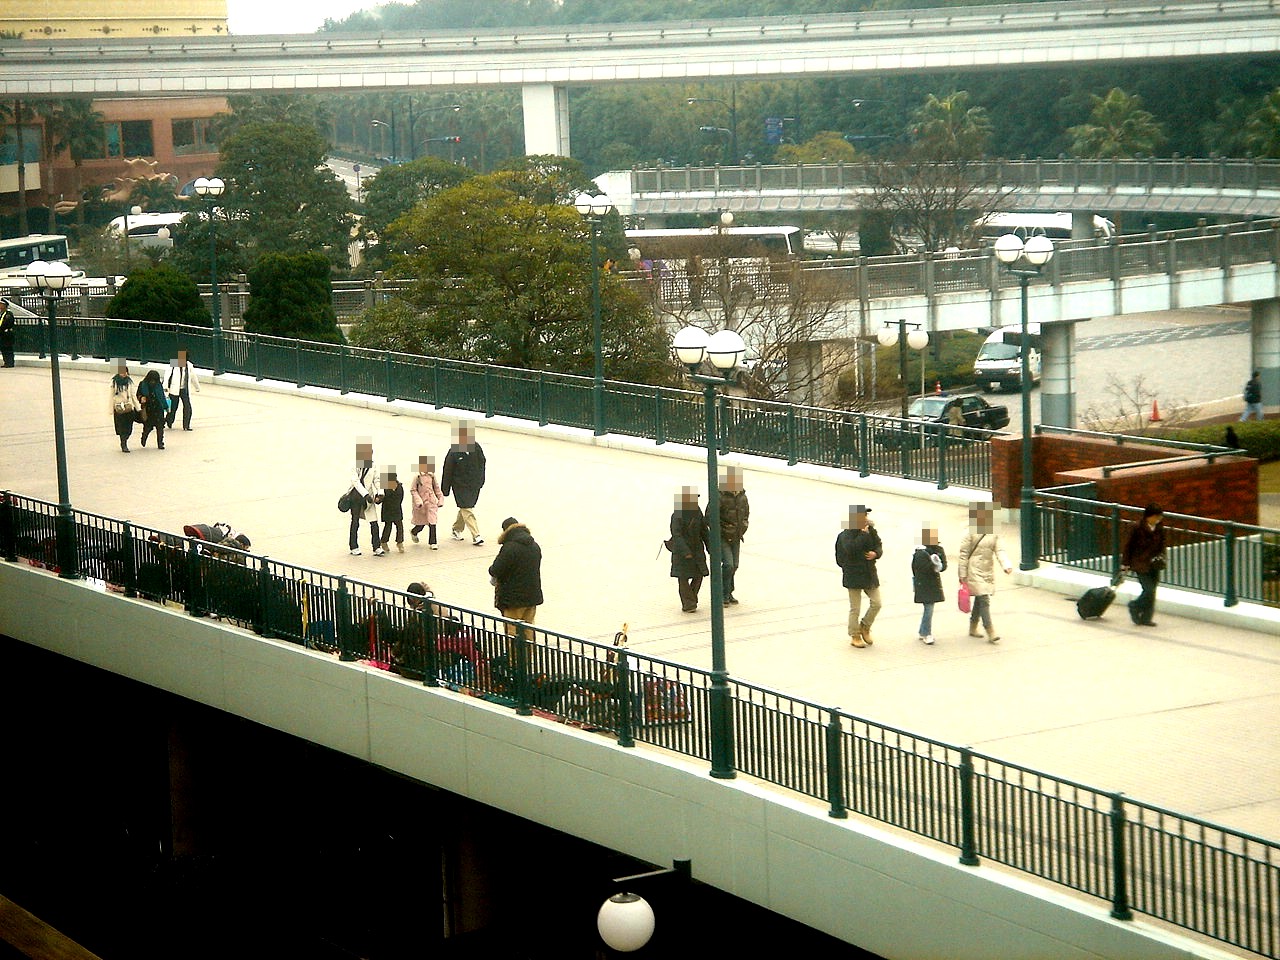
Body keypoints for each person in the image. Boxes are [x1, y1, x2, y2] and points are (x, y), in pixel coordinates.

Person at [957, 503, 1012, 643]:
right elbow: (963, 554)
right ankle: (990, 630)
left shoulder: (994, 532)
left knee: (980, 597)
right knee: (984, 598)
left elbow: (1000, 550)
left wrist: (1006, 565)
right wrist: (962, 574)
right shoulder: (970, 532)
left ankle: (973, 626)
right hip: (973, 569)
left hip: (987, 569)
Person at [835, 504, 882, 648]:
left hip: (869, 573)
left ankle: (865, 626)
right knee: (855, 608)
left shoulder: (870, 531)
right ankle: (854, 635)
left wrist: (876, 553)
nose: (865, 518)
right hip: (853, 575)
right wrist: (863, 535)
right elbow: (851, 549)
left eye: (866, 516)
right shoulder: (846, 534)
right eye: (862, 516)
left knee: (877, 603)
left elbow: (878, 545)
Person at [488, 517, 543, 637]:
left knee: (512, 633)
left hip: (513, 599)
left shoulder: (509, 548)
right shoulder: (534, 546)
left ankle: (514, 656)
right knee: (529, 632)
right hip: (532, 596)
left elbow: (496, 569)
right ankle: (528, 655)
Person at [441, 422, 487, 546]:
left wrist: (481, 480)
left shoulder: (476, 447)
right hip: (460, 486)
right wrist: (444, 490)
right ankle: (476, 535)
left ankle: (456, 529)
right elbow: (447, 470)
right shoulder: (454, 451)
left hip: (474, 485)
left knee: (466, 508)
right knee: (467, 508)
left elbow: (482, 464)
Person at [1122, 504, 1166, 627]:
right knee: (1148, 589)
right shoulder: (1136, 528)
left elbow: (1162, 545)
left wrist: (1162, 557)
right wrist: (1125, 563)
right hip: (1140, 563)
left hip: (1154, 563)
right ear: (1149, 516)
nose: (1158, 519)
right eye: (1156, 517)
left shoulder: (1159, 528)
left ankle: (1146, 618)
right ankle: (1134, 606)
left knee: (1153, 591)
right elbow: (1128, 546)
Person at [669, 486, 710, 613]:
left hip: (697, 549)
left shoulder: (697, 512)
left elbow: (704, 530)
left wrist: (710, 547)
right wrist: (685, 551)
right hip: (682, 552)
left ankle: (691, 599)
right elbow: (677, 534)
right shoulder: (677, 514)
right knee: (683, 577)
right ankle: (688, 603)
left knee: (699, 574)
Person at [718, 465, 750, 606]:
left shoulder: (742, 496)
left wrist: (743, 526)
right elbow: (710, 516)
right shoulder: (720, 496)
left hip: (736, 536)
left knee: (735, 565)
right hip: (723, 536)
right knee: (728, 565)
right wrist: (723, 529)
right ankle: (722, 594)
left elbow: (746, 513)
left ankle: (729, 592)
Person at [346, 440, 383, 556]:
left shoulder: (373, 465)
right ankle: (353, 546)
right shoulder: (355, 465)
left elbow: (377, 479)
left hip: (369, 498)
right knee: (355, 521)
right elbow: (355, 481)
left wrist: (380, 493)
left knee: (374, 522)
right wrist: (365, 494)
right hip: (356, 497)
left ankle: (376, 547)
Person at [912, 525, 947, 645]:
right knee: (929, 608)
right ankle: (926, 633)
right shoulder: (920, 552)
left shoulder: (939, 550)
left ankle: (923, 631)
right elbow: (918, 569)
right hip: (923, 584)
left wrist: (939, 565)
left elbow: (944, 567)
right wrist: (932, 564)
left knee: (929, 607)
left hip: (934, 583)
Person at [410, 455, 444, 549]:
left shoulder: (432, 476)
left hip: (431, 502)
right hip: (421, 505)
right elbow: (413, 490)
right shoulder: (417, 477)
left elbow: (437, 488)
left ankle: (433, 542)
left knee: (432, 522)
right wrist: (418, 501)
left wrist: (440, 499)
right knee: (421, 524)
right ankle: (414, 532)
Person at [164, 350, 201, 430]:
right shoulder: (173, 364)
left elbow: (193, 377)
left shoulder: (189, 365)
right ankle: (169, 421)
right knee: (173, 408)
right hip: (174, 389)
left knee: (187, 407)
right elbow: (167, 376)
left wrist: (197, 387)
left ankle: (186, 426)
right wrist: (165, 387)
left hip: (184, 389)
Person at [109, 361, 140, 452]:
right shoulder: (114, 382)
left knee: (129, 428)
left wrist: (138, 407)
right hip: (119, 408)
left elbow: (133, 395)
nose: (124, 374)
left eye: (125, 372)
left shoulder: (130, 382)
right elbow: (111, 396)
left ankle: (125, 439)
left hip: (129, 408)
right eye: (122, 372)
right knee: (122, 428)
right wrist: (111, 408)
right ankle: (123, 444)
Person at [136, 368, 168, 450]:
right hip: (148, 409)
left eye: (155, 380)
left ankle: (160, 443)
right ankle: (144, 437)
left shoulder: (158, 385)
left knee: (160, 427)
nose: (153, 382)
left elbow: (162, 396)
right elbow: (138, 394)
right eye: (152, 380)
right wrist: (141, 398)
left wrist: (166, 407)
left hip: (158, 408)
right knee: (148, 427)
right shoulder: (143, 384)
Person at [379, 470, 406, 553]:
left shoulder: (399, 487)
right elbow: (380, 498)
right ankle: (384, 542)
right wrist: (377, 500)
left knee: (400, 526)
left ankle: (400, 542)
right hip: (387, 510)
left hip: (397, 509)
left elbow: (401, 497)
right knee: (388, 527)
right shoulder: (384, 488)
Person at [0, 297, 15, 368]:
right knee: (3, 349)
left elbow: (7, 324)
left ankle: (10, 363)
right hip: (2, 335)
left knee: (8, 349)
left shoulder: (8, 314)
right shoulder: (1, 314)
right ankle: (6, 362)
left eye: (1, 304)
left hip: (7, 334)